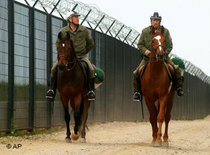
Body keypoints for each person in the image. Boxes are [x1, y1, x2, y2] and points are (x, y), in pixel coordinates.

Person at [133, 12, 184, 101]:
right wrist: (145, 51)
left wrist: (164, 53)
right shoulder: (145, 32)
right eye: (154, 20)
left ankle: (178, 88)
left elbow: (170, 45)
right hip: (148, 58)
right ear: (151, 21)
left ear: (160, 21)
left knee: (175, 69)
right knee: (136, 72)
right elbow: (140, 44)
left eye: (157, 20)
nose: (155, 22)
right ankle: (137, 92)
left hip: (163, 57)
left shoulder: (166, 32)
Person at [46, 11, 95, 101]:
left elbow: (91, 44)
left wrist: (84, 51)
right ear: (70, 19)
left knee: (91, 70)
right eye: (75, 17)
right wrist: (63, 55)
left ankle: (91, 91)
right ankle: (51, 90)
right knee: (53, 69)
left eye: (77, 17)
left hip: (81, 56)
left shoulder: (84, 30)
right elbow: (58, 43)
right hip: (66, 57)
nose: (77, 19)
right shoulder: (63, 31)